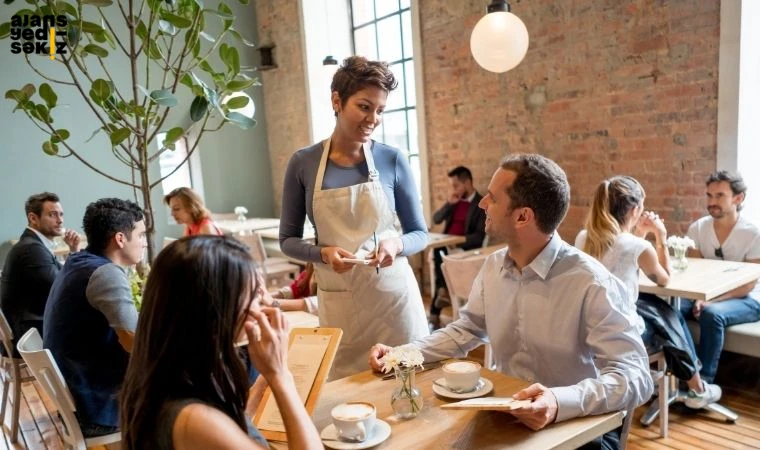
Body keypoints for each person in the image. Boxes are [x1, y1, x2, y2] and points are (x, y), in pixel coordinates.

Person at [369, 154, 653, 448]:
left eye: (491, 198)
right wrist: (403, 354)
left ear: (522, 217)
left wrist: (558, 401)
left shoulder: (592, 282)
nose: (481, 204)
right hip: (507, 417)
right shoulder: (493, 266)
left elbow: (635, 377)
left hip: (575, 430)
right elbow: (466, 330)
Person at [279, 56, 429, 379]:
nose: (373, 118)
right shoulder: (303, 164)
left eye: (380, 110)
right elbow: (287, 240)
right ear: (337, 100)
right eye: (364, 106)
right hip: (340, 310)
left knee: (408, 398)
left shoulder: (392, 160)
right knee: (347, 406)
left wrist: (396, 244)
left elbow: (420, 233)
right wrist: (322, 253)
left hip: (395, 307)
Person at [120, 236, 321, 449]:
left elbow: (232, 422)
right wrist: (280, 376)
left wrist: (264, 381)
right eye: (253, 296)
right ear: (214, 308)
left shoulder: (167, 376)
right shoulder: (194, 421)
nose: (260, 308)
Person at [575, 176, 721, 409]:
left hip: (586, 328)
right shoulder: (637, 246)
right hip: (619, 333)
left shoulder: (584, 238)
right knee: (667, 316)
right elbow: (664, 279)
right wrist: (660, 237)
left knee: (659, 310)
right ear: (634, 210)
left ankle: (688, 384)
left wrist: (639, 235)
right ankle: (695, 386)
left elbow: (619, 260)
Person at [43, 198, 145, 437]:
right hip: (98, 404)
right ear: (120, 239)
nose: (144, 243)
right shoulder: (105, 273)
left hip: (79, 393)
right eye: (140, 235)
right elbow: (134, 342)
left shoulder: (78, 261)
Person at [679, 170, 760, 387]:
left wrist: (710, 300)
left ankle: (704, 384)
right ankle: (688, 371)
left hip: (748, 299)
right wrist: (698, 297)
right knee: (671, 308)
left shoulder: (752, 233)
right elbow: (695, 272)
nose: (712, 202)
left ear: (738, 198)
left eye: (720, 196)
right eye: (709, 195)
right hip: (706, 294)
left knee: (711, 314)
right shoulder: (698, 228)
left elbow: (747, 284)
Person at [0, 192, 80, 349]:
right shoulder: (31, 249)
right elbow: (63, 288)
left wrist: (73, 251)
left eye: (61, 215)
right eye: (52, 215)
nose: (60, 220)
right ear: (33, 218)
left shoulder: (33, 245)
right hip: (30, 333)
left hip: (29, 327)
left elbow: (62, 278)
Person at [429, 166, 486, 329]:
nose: (453, 190)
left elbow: (480, 236)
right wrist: (449, 203)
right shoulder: (454, 202)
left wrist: (458, 241)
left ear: (467, 183)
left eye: (456, 186)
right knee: (439, 250)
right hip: (445, 247)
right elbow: (436, 219)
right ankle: (442, 292)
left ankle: (435, 310)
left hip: (464, 249)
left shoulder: (480, 204)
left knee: (441, 252)